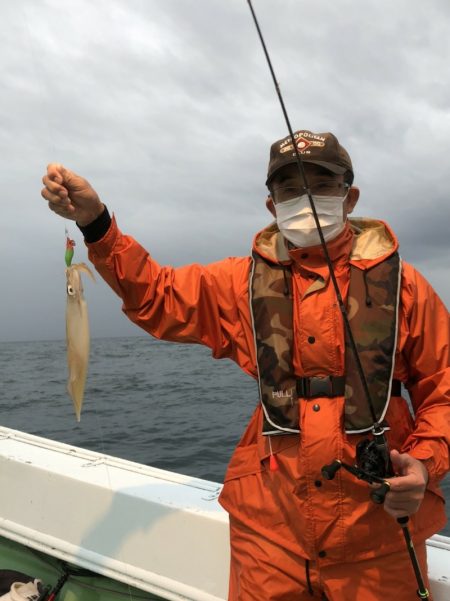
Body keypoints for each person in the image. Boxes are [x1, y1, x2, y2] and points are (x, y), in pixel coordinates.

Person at [41, 129, 450, 601]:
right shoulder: (240, 282)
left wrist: (423, 464)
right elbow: (155, 293)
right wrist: (96, 223)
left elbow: (442, 390)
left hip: (378, 532)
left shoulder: (406, 286)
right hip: (269, 530)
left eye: (321, 185)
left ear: (349, 196)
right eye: (290, 190)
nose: (306, 199)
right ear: (272, 206)